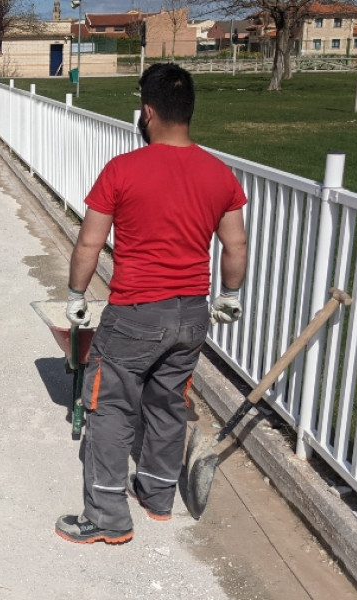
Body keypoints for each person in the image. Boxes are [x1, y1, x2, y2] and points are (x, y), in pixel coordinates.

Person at [55, 63, 248, 545]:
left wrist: (77, 296)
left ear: (148, 111)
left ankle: (106, 517)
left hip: (138, 312)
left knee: (110, 407)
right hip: (191, 314)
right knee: (167, 403)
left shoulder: (124, 169)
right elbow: (236, 246)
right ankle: (158, 496)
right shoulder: (219, 173)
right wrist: (230, 295)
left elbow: (88, 244)